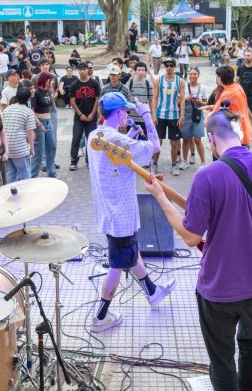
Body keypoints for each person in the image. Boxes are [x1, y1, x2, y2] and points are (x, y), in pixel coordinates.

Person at [144, 108, 252, 391]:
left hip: (218, 288)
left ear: (210, 138)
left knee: (221, 359)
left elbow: (192, 236)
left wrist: (160, 196)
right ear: (241, 132)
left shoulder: (207, 175)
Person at [87, 92, 175, 332]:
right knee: (117, 264)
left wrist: (130, 137)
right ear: (120, 113)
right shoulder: (120, 141)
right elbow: (155, 146)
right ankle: (101, 316)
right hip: (121, 215)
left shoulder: (96, 135)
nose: (128, 114)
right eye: (126, 111)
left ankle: (152, 292)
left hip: (108, 212)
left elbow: (116, 157)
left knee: (130, 254)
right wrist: (146, 114)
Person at [152, 57, 186, 176]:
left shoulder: (180, 81)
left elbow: (182, 100)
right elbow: (155, 98)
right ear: (164, 67)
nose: (169, 68)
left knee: (174, 142)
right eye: (167, 65)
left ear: (174, 67)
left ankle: (174, 165)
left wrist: (182, 115)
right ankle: (154, 164)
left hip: (174, 116)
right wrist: (153, 115)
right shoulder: (159, 80)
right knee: (158, 141)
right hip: (160, 115)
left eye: (171, 65)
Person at [207, 66, 252, 147]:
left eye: (217, 76)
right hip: (243, 131)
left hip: (234, 137)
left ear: (220, 78)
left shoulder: (228, 93)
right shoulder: (237, 86)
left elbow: (213, 116)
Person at [69, 63, 101, 171]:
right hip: (79, 118)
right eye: (80, 69)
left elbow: (97, 99)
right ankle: (73, 161)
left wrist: (93, 113)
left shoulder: (94, 83)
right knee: (76, 139)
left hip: (92, 117)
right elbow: (72, 101)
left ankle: (90, 161)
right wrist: (80, 114)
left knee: (91, 140)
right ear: (78, 70)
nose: (82, 71)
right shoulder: (74, 85)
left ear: (88, 70)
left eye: (84, 69)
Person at [2, 86, 37, 181]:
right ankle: (25, 195)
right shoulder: (28, 111)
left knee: (11, 174)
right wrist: (32, 148)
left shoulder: (6, 109)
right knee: (25, 175)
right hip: (20, 147)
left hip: (7, 147)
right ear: (28, 98)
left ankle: (11, 194)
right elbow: (30, 132)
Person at [30, 72, 57, 178]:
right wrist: (38, 123)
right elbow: (31, 110)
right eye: (50, 80)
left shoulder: (49, 91)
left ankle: (52, 172)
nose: (52, 82)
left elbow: (50, 105)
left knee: (52, 146)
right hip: (39, 122)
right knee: (39, 150)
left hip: (48, 121)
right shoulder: (36, 92)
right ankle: (32, 175)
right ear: (45, 80)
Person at [180, 67, 208, 165]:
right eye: (191, 74)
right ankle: (184, 161)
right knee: (186, 139)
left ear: (198, 75)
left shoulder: (203, 88)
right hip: (186, 114)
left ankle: (203, 162)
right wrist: (186, 99)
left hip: (198, 115)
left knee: (197, 139)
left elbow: (206, 103)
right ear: (188, 75)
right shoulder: (183, 87)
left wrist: (199, 102)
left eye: (195, 74)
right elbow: (178, 101)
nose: (192, 76)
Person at [236, 49, 252, 118]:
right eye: (246, 55)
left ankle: (249, 128)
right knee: (241, 115)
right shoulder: (240, 68)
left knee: (251, 116)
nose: (247, 57)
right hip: (242, 95)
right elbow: (237, 81)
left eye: (249, 55)